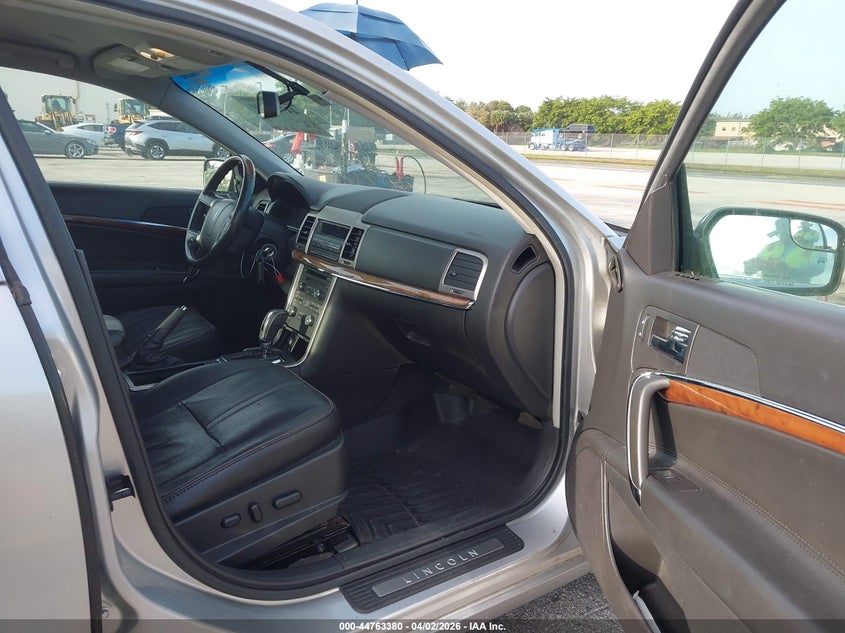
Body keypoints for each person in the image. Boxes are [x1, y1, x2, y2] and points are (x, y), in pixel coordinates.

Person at [743, 217, 825, 284]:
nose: (781, 229)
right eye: (778, 226)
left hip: (795, 293)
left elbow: (818, 268)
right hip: (765, 289)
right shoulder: (770, 246)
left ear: (790, 228)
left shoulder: (811, 250)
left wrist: (792, 272)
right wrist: (751, 266)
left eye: (784, 225)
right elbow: (757, 262)